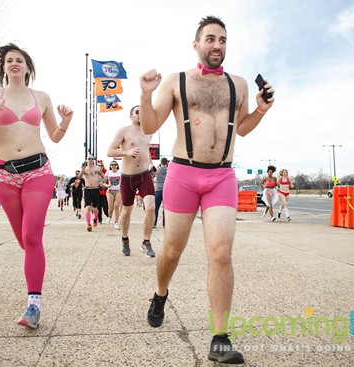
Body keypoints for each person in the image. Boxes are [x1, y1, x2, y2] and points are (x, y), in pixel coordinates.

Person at [139, 15, 274, 364]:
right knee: (172, 250)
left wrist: (260, 109)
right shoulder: (176, 81)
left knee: (221, 253)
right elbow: (151, 124)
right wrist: (145, 93)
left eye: (223, 40)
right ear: (196, 44)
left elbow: (241, 129)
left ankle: (220, 337)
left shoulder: (239, 84)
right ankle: (160, 293)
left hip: (222, 177)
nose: (217, 45)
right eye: (210, 39)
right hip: (183, 173)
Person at [0, 43, 73, 330]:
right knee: (24, 241)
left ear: (28, 67)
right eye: (9, 60)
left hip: (38, 171)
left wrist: (65, 122)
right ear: (3, 67)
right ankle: (36, 270)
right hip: (5, 177)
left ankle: (33, 306)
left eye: (19, 60)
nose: (14, 63)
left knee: (32, 236)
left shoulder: (42, 97)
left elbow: (55, 136)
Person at [107, 106, 156, 258]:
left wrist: (150, 164)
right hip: (128, 177)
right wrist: (126, 152)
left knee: (150, 207)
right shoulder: (124, 131)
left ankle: (146, 242)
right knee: (126, 211)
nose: (141, 115)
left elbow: (146, 150)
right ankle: (125, 239)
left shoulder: (149, 133)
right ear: (131, 116)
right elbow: (110, 151)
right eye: (137, 112)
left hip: (144, 175)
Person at [82, 155, 104, 232]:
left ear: (93, 160)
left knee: (95, 208)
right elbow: (79, 177)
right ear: (86, 160)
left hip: (95, 189)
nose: (90, 160)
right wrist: (82, 170)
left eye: (92, 159)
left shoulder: (97, 168)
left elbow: (103, 176)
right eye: (89, 159)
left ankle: (95, 218)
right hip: (88, 189)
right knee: (88, 207)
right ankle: (88, 224)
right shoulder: (85, 168)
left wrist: (101, 182)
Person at [104, 160, 122, 230]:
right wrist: (106, 185)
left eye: (115, 164)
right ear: (110, 166)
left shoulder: (120, 172)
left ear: (117, 166)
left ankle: (116, 222)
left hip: (118, 191)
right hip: (110, 191)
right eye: (112, 165)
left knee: (116, 206)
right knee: (110, 208)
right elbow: (103, 181)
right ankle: (110, 216)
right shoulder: (108, 173)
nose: (113, 166)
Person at [154, 158, 168, 228]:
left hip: (158, 190)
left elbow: (154, 171)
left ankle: (154, 223)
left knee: (156, 207)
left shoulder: (158, 170)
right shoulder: (169, 170)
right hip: (166, 190)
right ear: (167, 163)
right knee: (165, 208)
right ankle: (165, 223)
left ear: (161, 162)